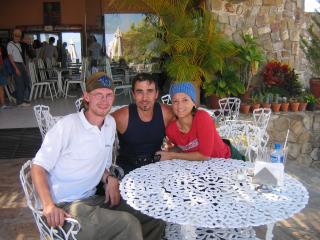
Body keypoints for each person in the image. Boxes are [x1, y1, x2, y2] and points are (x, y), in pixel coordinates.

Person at [31, 72, 143, 240]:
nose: (104, 101)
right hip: (65, 206)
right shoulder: (68, 126)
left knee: (148, 213)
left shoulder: (110, 124)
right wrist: (48, 206)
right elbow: (38, 166)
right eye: (98, 95)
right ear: (87, 97)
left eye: (109, 95)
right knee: (128, 224)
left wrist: (108, 178)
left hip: (92, 199)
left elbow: (100, 163)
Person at [156, 82, 244, 161]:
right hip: (201, 169)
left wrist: (171, 155)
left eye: (185, 100)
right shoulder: (171, 130)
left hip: (228, 160)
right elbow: (182, 149)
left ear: (193, 103)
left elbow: (204, 156)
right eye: (175, 101)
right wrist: (167, 152)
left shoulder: (201, 117)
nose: (180, 105)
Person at [112, 72, 174, 174]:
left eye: (150, 91)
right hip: (127, 172)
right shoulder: (122, 116)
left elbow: (186, 126)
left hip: (157, 168)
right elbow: (97, 130)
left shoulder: (166, 113)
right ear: (133, 94)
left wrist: (171, 149)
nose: (145, 98)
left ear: (156, 94)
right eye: (139, 92)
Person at [7, 29, 31, 107]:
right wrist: (16, 68)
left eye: (19, 36)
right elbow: (10, 57)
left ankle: (15, 95)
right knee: (19, 83)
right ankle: (20, 102)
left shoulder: (18, 44)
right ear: (13, 36)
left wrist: (24, 67)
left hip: (21, 64)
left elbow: (21, 57)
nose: (18, 38)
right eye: (16, 36)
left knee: (26, 82)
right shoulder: (10, 44)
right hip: (16, 64)